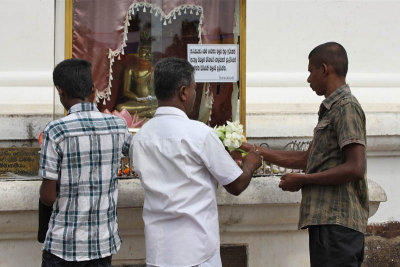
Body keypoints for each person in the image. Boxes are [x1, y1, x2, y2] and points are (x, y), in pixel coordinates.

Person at [242, 42, 368, 267]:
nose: (308, 78)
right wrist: (252, 149)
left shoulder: (346, 107)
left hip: (338, 225)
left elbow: (356, 168)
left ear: (324, 69)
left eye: (310, 71)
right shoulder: (331, 109)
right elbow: (306, 159)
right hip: (326, 224)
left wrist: (304, 180)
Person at [130, 57, 262, 267]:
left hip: (159, 252)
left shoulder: (140, 138)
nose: (194, 94)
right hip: (196, 252)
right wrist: (250, 164)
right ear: (183, 92)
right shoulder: (199, 134)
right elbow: (236, 185)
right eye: (194, 88)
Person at [39, 58, 133, 266]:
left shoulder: (56, 131)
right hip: (102, 244)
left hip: (63, 245)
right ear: (92, 89)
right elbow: (139, 154)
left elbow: (48, 196)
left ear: (60, 90)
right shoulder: (117, 126)